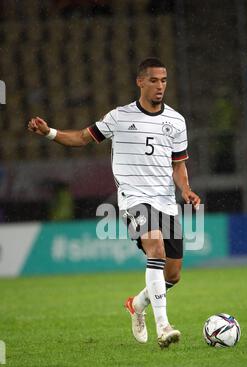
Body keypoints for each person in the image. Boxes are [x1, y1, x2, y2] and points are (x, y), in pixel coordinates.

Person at [27, 57, 201, 348]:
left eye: (164, 80)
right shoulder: (119, 117)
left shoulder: (176, 121)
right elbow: (83, 137)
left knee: (173, 274)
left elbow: (178, 165)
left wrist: (186, 189)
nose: (160, 86)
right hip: (133, 199)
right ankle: (164, 327)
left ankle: (137, 304)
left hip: (166, 203)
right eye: (154, 80)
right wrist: (50, 133)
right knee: (154, 245)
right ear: (140, 82)